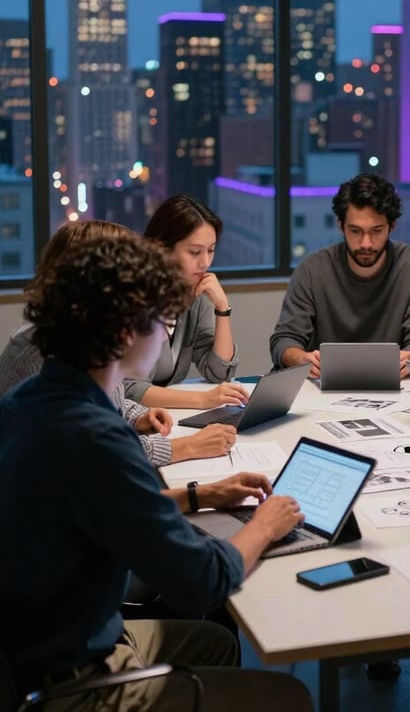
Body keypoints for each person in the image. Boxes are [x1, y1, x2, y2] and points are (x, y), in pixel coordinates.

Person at [0, 230, 312, 711]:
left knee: (217, 643)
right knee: (286, 695)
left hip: (38, 642)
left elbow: (102, 509)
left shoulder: (28, 402)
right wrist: (265, 528)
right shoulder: (96, 438)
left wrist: (201, 495)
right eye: (163, 321)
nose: (167, 332)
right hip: (70, 679)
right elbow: (203, 580)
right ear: (126, 332)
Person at [0, 220, 236, 467]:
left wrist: (137, 417)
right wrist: (189, 446)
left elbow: (112, 401)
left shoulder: (83, 336)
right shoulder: (43, 351)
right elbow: (99, 448)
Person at [270, 173, 410, 379]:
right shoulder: (312, 269)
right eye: (356, 231)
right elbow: (284, 341)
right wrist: (302, 359)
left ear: (392, 227)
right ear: (341, 225)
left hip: (396, 386)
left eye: (376, 230)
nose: (366, 243)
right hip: (322, 387)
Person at [125, 194, 250, 410]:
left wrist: (222, 308)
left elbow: (219, 372)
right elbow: (128, 388)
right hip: (131, 422)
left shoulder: (195, 294)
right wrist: (203, 400)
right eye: (194, 252)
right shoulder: (133, 296)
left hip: (164, 419)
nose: (205, 262)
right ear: (161, 248)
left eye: (211, 250)